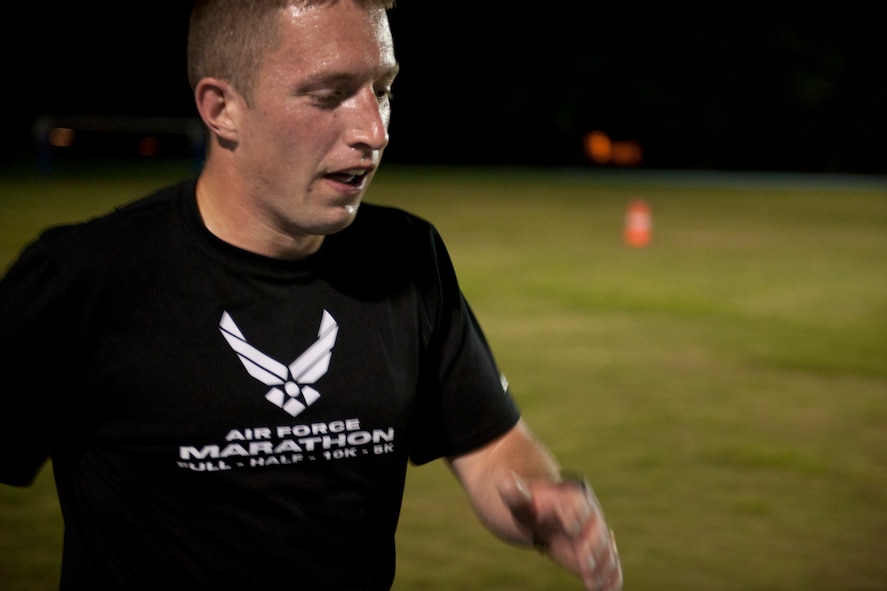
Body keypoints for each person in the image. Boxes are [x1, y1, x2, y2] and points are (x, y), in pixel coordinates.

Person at [0, 1, 623, 589]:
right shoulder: (86, 278)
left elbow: (490, 447)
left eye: (382, 89)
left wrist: (541, 498)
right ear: (222, 108)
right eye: (330, 96)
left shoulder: (407, 260)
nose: (374, 131)